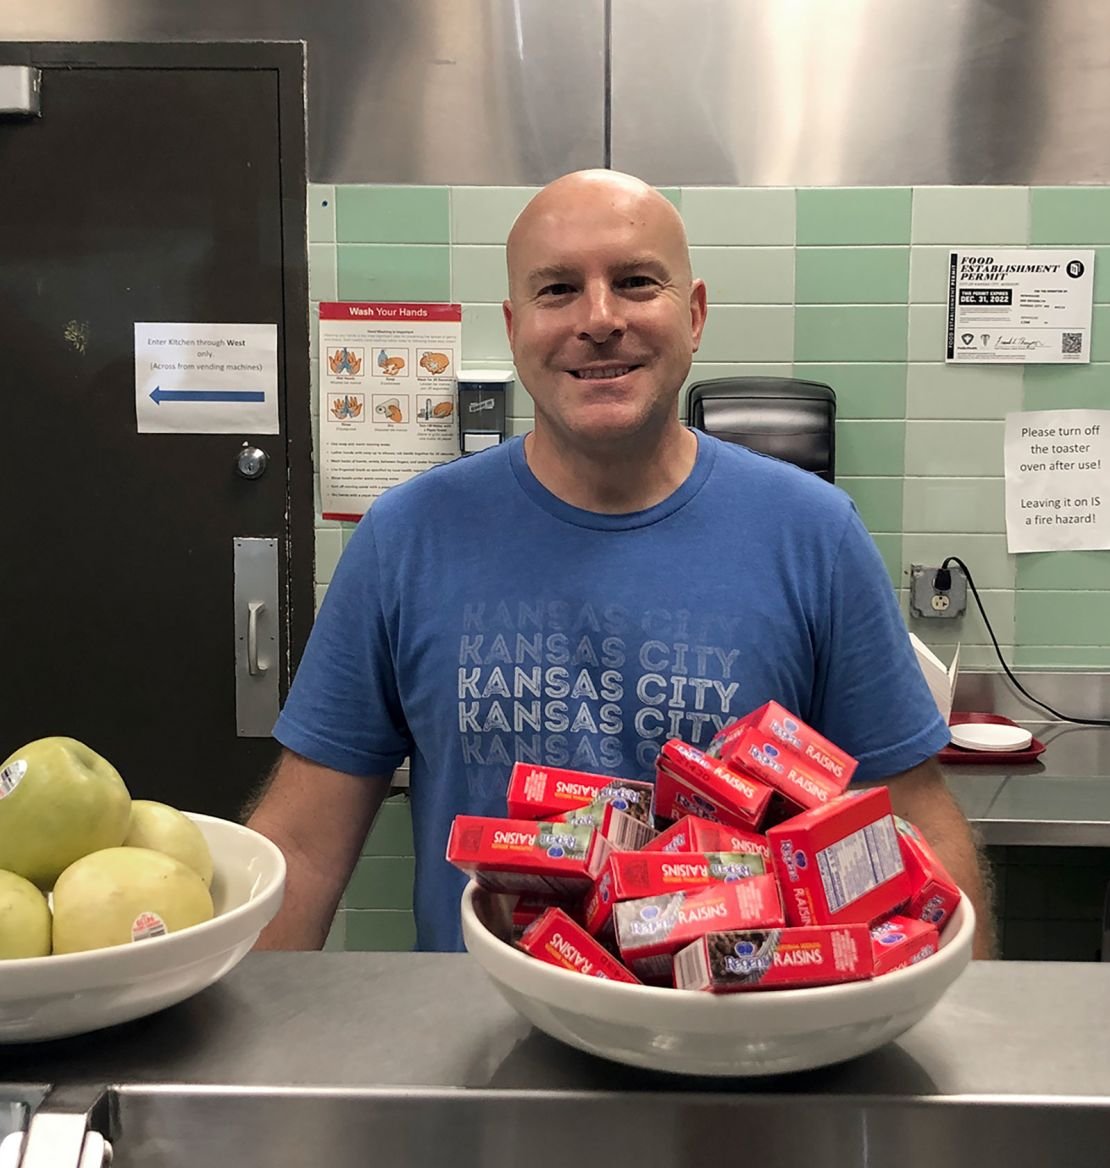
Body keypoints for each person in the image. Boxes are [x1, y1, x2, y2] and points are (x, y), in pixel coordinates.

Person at [247, 169, 993, 956]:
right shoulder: (408, 537)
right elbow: (299, 847)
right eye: (558, 290)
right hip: (479, 1054)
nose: (599, 320)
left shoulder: (814, 536)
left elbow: (916, 830)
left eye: (636, 282)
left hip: (736, 1047)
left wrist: (964, 1042)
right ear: (513, 326)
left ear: (695, 314)